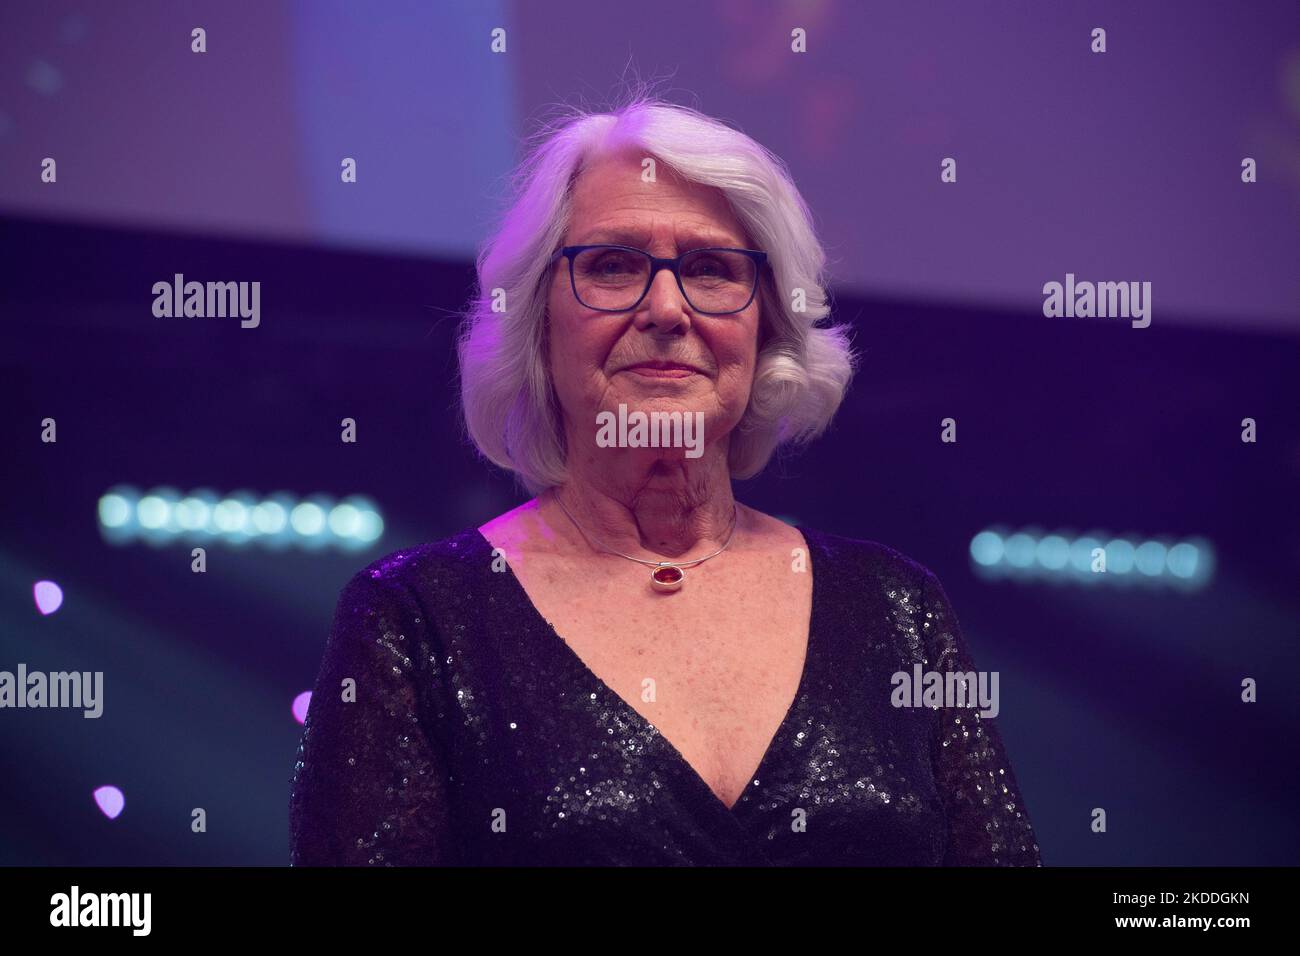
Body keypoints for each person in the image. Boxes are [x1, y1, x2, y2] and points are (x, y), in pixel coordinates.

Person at [289, 93, 1042, 866]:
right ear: (537, 323)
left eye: (712, 269)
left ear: (768, 326)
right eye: (613, 265)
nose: (666, 309)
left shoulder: (896, 607)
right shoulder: (415, 622)